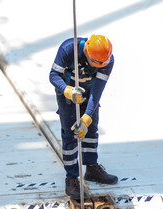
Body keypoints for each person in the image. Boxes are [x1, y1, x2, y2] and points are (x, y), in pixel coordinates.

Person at [49, 34, 118, 199]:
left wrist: (87, 117)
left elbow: (97, 91)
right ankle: (71, 179)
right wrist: (67, 90)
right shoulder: (68, 49)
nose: (98, 66)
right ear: (86, 51)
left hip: (89, 91)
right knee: (70, 134)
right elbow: (53, 75)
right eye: (95, 63)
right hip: (67, 93)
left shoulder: (107, 60)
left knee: (91, 130)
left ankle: (92, 167)